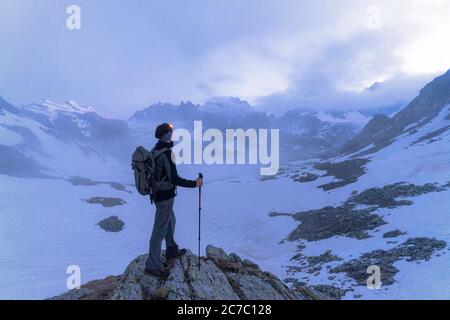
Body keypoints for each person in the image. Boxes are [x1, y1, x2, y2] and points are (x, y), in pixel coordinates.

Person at [145, 123, 203, 279]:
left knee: (170, 221)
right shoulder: (167, 154)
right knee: (159, 230)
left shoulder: (155, 150)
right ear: (167, 135)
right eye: (171, 132)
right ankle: (153, 266)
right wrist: (195, 183)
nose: (173, 134)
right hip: (165, 198)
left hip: (159, 196)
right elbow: (174, 179)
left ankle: (171, 249)